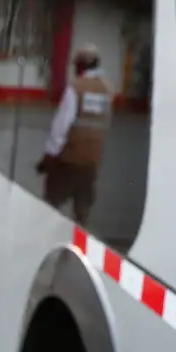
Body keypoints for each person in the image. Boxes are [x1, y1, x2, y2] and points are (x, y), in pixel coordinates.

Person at [36, 43, 113, 224]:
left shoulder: (76, 88)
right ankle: (79, 246)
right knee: (82, 212)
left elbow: (61, 126)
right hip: (92, 161)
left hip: (69, 159)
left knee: (50, 204)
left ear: (82, 65)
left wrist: (49, 156)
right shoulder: (108, 90)